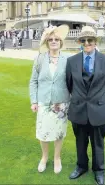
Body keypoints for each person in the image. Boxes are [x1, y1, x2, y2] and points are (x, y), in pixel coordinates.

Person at [66, 26, 105, 185]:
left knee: (98, 143)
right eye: (83, 40)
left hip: (99, 109)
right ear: (80, 42)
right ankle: (81, 166)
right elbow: (69, 84)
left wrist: (98, 101)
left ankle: (99, 170)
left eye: (90, 40)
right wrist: (80, 99)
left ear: (95, 42)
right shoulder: (71, 61)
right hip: (78, 108)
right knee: (80, 141)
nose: (87, 43)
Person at [29, 25, 71, 174]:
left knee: (59, 133)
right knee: (43, 132)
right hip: (44, 102)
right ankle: (44, 157)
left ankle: (57, 158)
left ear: (61, 42)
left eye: (57, 39)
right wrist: (34, 101)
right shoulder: (40, 58)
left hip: (62, 102)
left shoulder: (68, 59)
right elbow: (33, 81)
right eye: (51, 39)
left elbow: (72, 81)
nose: (54, 41)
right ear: (47, 42)